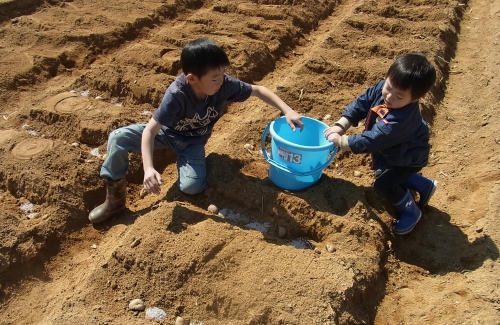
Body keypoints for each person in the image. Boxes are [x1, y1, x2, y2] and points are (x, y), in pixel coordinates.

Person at [89, 38, 303, 223]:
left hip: (193, 143)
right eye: (214, 78)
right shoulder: (176, 95)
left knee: (191, 188)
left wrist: (287, 110)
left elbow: (258, 90)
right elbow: (150, 132)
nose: (221, 81)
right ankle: (114, 201)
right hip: (167, 134)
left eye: (222, 75)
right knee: (118, 137)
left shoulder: (224, 85)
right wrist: (148, 169)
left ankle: (186, 161)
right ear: (192, 78)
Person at [324, 53, 437, 235]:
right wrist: (342, 125)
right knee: (387, 170)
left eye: (399, 96)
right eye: (388, 87)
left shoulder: (400, 121)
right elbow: (362, 103)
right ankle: (425, 186)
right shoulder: (385, 91)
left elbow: (373, 140)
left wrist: (343, 142)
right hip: (393, 151)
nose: (390, 97)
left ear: (415, 99)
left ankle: (411, 211)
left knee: (384, 184)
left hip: (407, 157)